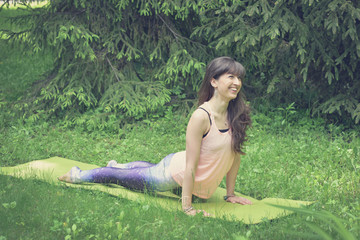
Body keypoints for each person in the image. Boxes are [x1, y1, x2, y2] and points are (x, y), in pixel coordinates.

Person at [59, 56, 253, 216]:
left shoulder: (236, 114)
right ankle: (78, 175)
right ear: (214, 81)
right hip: (173, 174)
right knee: (118, 178)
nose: (237, 83)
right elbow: (190, 166)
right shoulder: (201, 117)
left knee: (147, 170)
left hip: (197, 186)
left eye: (239, 78)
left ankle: (118, 164)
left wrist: (230, 195)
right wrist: (187, 207)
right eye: (230, 77)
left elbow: (234, 156)